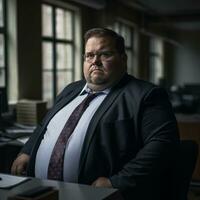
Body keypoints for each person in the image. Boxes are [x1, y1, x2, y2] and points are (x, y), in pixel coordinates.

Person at [11, 27, 179, 200]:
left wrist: (117, 183)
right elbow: (44, 126)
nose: (95, 61)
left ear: (123, 59)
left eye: (105, 54)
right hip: (40, 191)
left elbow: (163, 144)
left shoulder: (145, 95)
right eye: (89, 55)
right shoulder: (71, 90)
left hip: (94, 196)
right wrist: (27, 151)